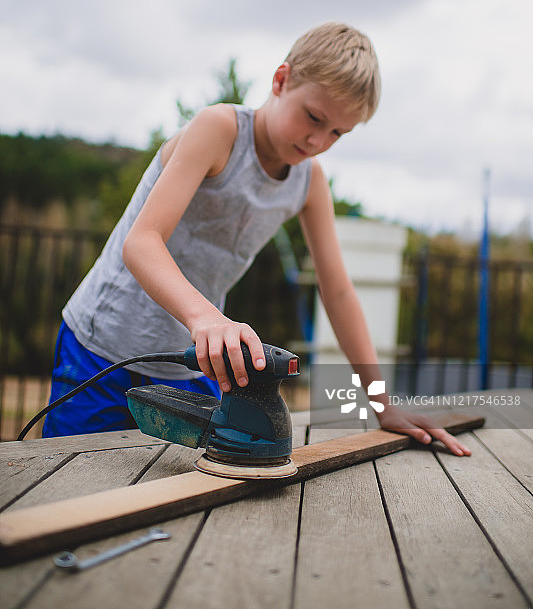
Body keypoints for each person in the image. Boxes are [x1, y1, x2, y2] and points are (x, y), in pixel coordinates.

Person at [43, 22, 470, 456]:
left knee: (209, 476)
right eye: (314, 118)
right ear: (281, 80)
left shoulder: (308, 181)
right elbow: (141, 242)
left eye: (338, 133)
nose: (318, 141)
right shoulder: (219, 129)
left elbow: (338, 292)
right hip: (105, 346)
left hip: (189, 358)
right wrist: (208, 320)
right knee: (73, 472)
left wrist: (384, 405)